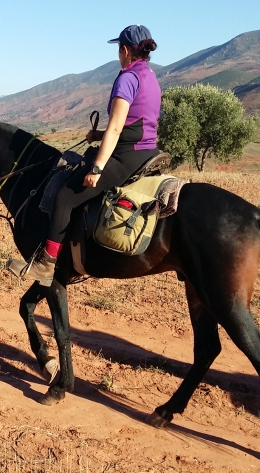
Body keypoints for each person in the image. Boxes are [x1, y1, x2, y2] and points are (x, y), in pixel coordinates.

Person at [12, 25, 161, 286]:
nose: (119, 54)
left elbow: (117, 127)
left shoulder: (127, 78)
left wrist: (97, 169)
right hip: (148, 150)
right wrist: (99, 135)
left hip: (126, 156)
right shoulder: (150, 76)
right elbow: (134, 123)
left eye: (119, 49)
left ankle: (47, 264)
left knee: (65, 196)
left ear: (124, 50)